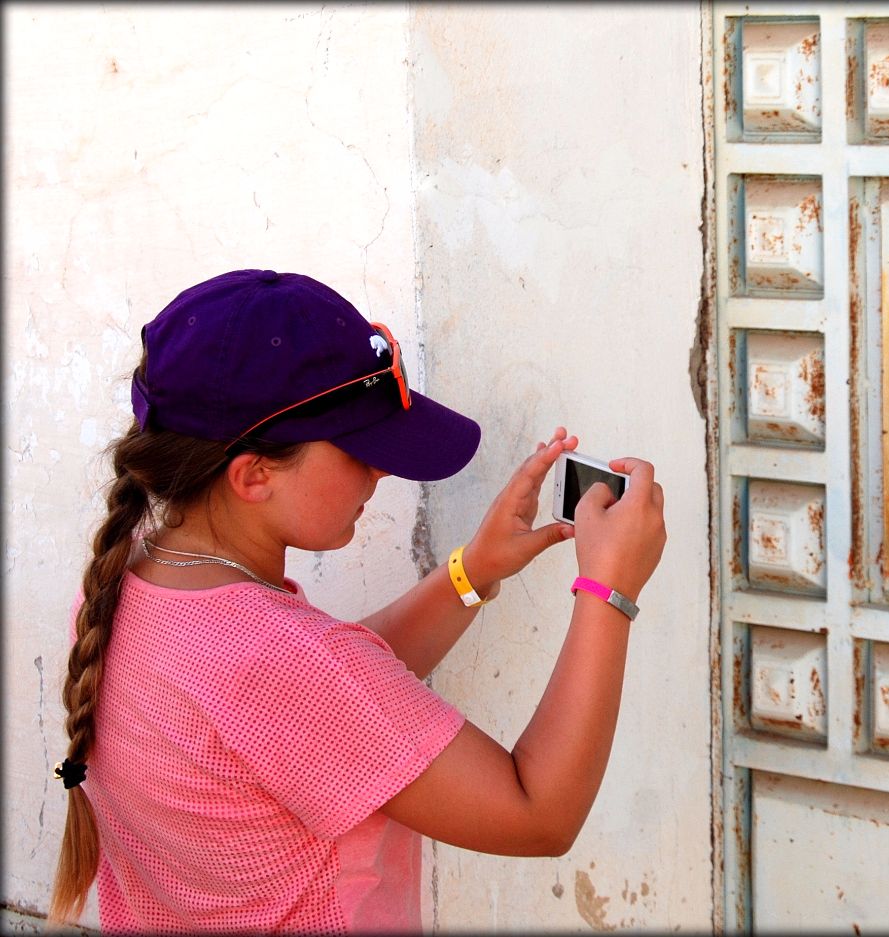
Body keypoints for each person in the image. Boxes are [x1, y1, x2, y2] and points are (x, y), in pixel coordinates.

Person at [48, 269, 666, 933]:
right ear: (252, 474)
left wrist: (473, 569)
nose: (382, 468)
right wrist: (609, 588)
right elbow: (537, 812)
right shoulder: (280, 661)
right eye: (358, 448)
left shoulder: (133, 579)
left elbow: (325, 707)